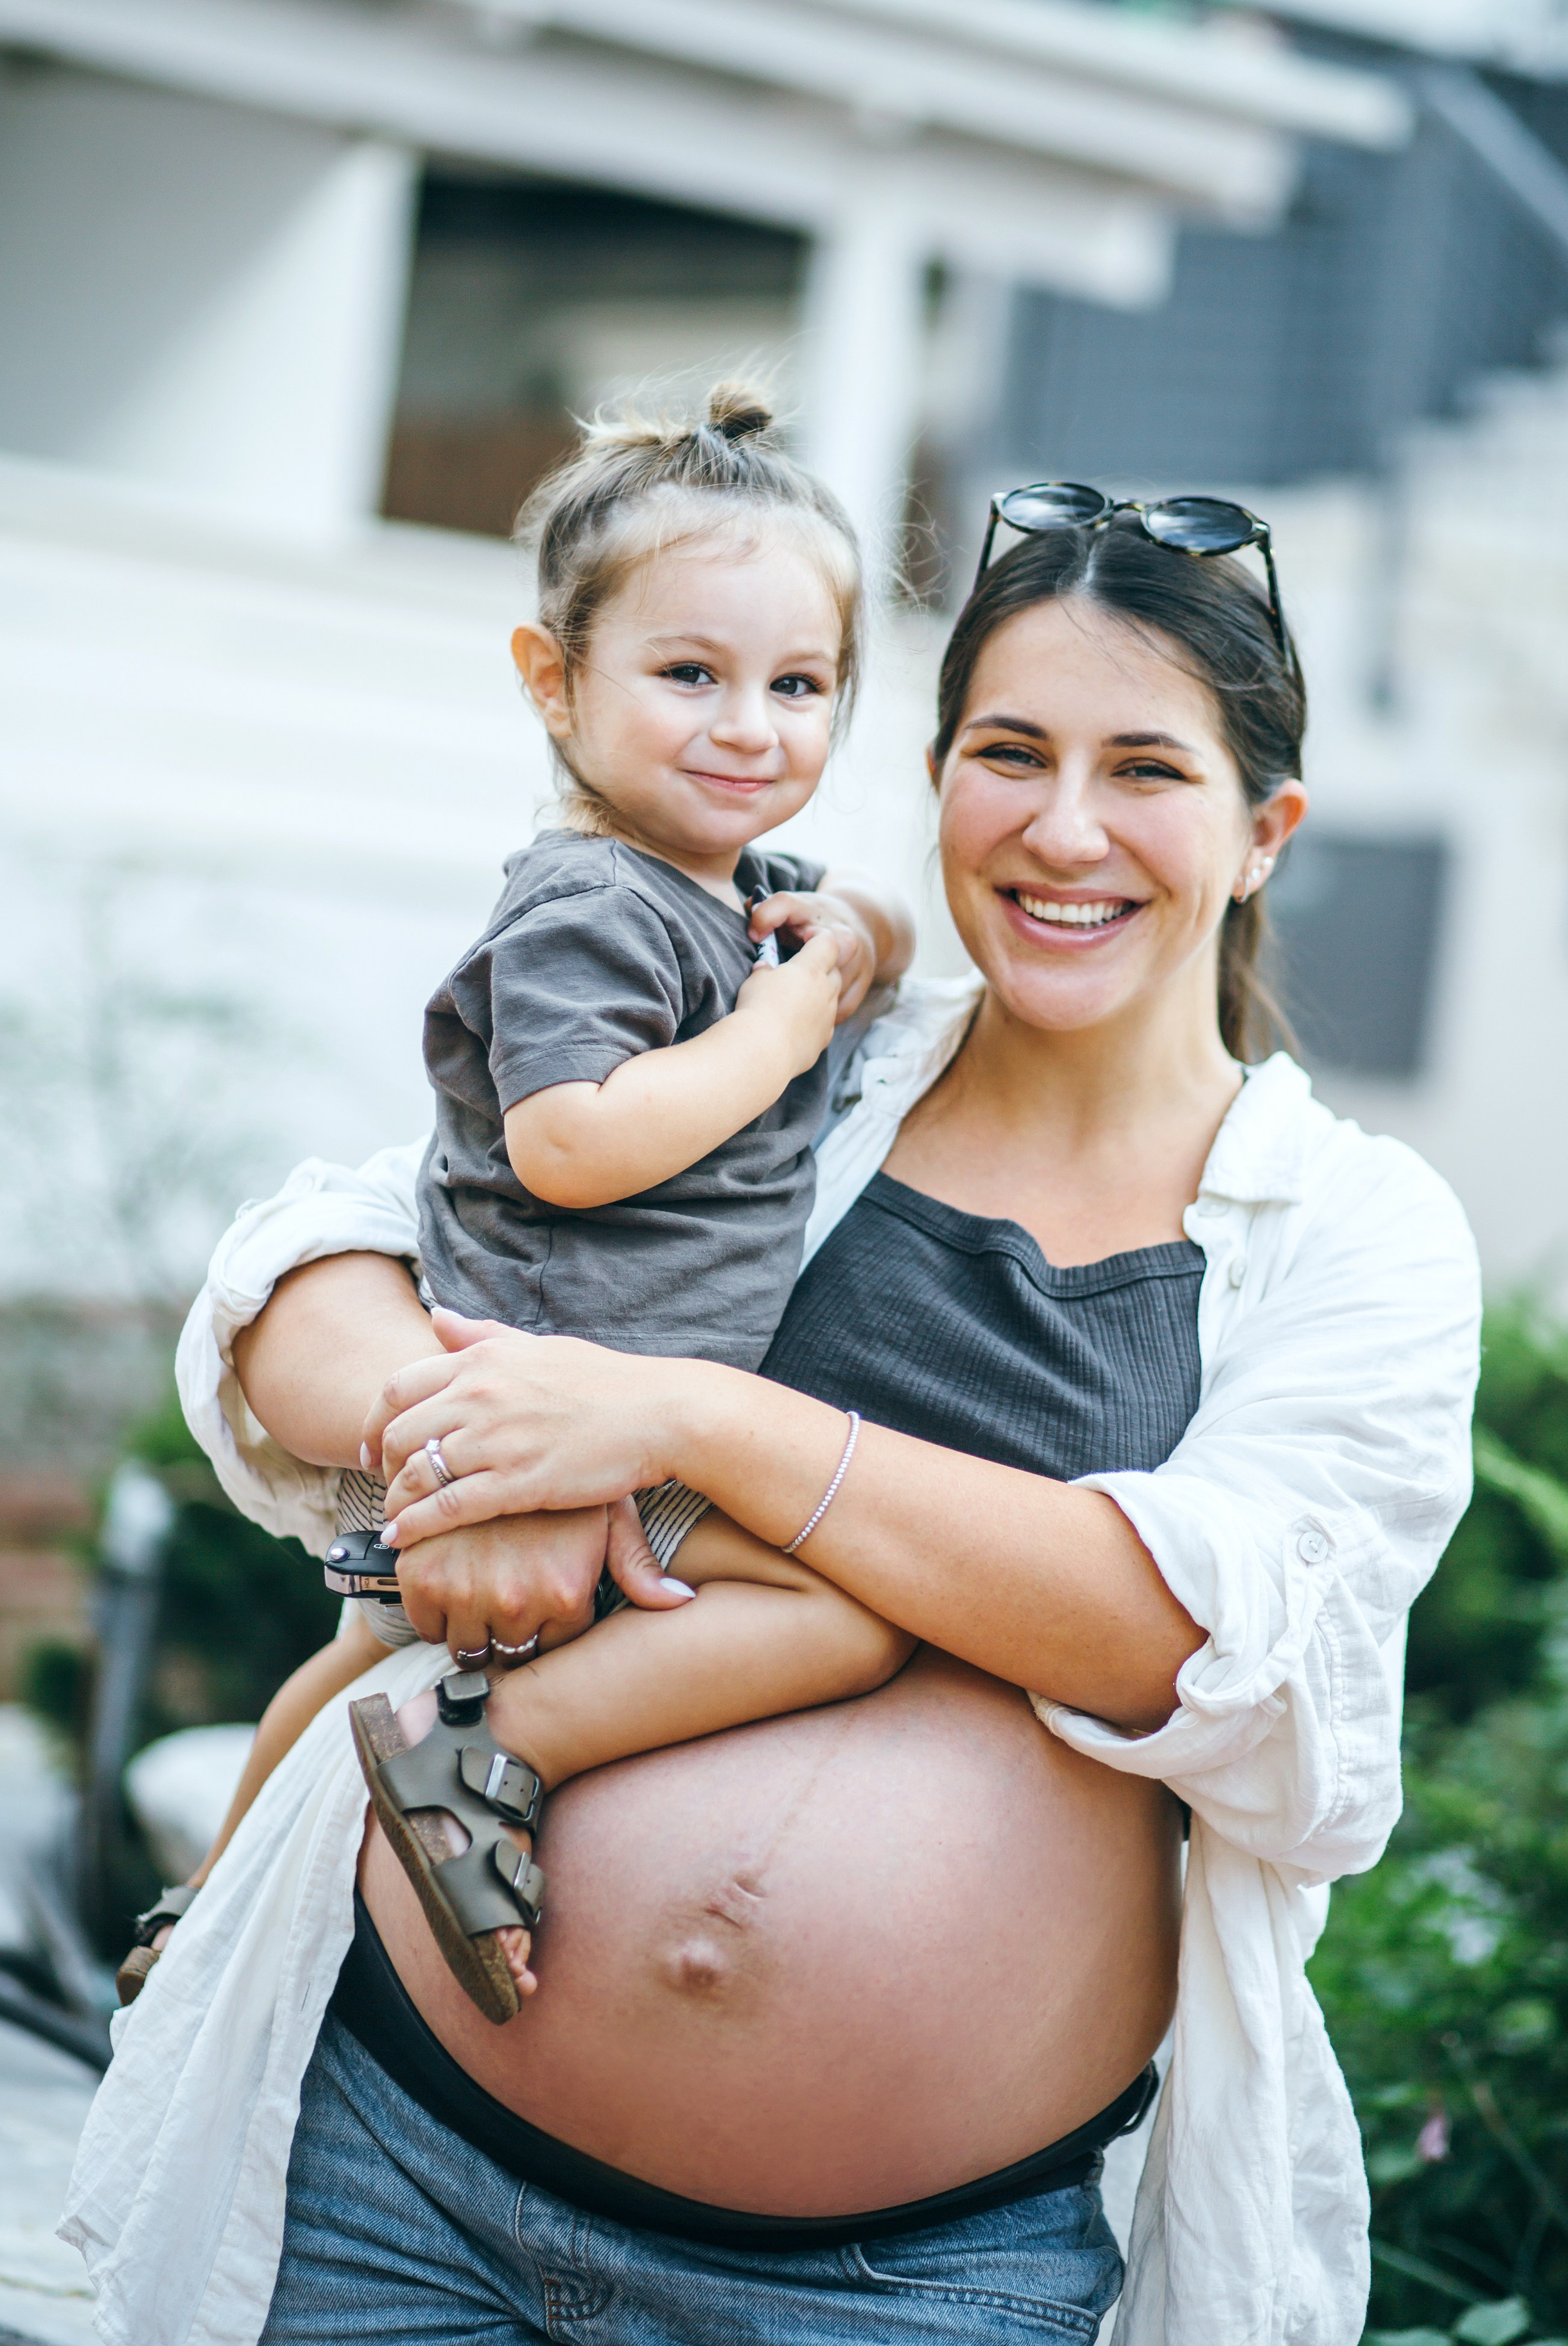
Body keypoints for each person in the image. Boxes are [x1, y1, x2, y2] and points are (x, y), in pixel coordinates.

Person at [66, 495, 1481, 2346]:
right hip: (387, 2166)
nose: (1065, 829)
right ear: (934, 775)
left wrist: (682, 1425)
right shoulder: (796, 1029)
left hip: (905, 2286)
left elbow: (1198, 1637)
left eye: (1146, 768)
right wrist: (483, 1437)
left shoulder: (1354, 1229)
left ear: (1262, 831)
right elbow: (320, 1263)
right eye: (1010, 755)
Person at [116, 382, 918, 2024]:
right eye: (689, 673)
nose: (749, 724)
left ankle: (222, 1898)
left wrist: (858, 943)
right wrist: (783, 1025)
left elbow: (869, 931)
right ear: (554, 683)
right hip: (532, 1396)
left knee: (364, 1658)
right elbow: (571, 1141)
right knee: (835, 1612)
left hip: (608, 1410)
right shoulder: (585, 903)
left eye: (799, 684)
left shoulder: (748, 890)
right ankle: (291, 1863)